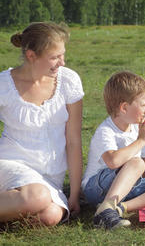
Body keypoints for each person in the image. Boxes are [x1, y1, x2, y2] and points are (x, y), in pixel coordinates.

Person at [0, 22, 83, 226]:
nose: (62, 62)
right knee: (37, 197)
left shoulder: (69, 81)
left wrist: (74, 193)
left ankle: (9, 212)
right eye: (55, 57)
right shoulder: (3, 84)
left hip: (50, 177)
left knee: (51, 215)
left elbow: (73, 141)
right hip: (12, 164)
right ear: (31, 56)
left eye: (63, 55)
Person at [82, 71, 145, 229]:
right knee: (137, 163)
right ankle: (107, 207)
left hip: (125, 189)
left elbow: (142, 172)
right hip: (97, 187)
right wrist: (141, 140)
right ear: (124, 107)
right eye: (143, 105)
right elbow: (113, 161)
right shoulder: (106, 131)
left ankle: (118, 208)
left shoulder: (137, 129)